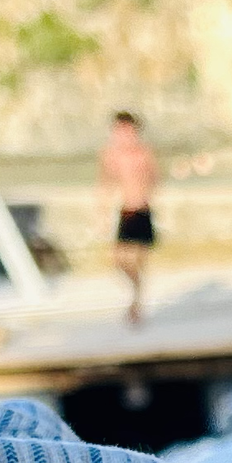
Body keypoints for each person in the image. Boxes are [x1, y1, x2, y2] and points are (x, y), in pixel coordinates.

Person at [99, 109, 158, 324]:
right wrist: (102, 213)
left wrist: (149, 199)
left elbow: (154, 178)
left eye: (125, 130)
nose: (122, 134)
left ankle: (136, 306)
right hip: (125, 212)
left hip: (142, 211)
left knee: (138, 262)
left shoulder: (143, 152)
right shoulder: (110, 154)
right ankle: (136, 300)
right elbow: (105, 184)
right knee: (119, 262)